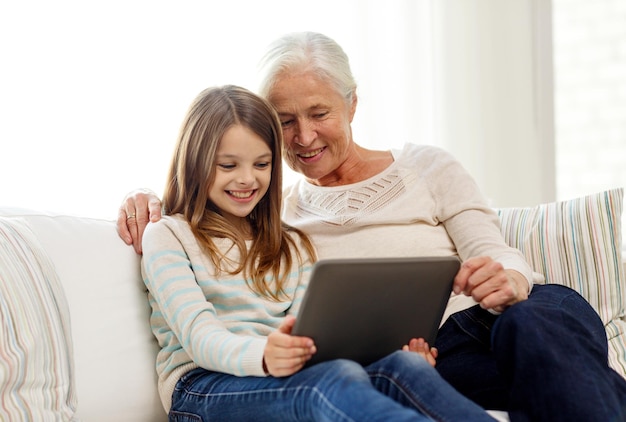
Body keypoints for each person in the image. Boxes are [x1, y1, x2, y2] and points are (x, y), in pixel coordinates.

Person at [120, 33, 626, 421]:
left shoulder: (425, 168)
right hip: (432, 353)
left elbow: (495, 249)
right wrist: (155, 199)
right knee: (559, 381)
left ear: (352, 105)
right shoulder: (279, 219)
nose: (304, 135)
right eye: (286, 121)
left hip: (507, 317)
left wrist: (509, 279)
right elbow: (212, 197)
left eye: (319, 113)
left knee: (530, 321)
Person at [140, 84, 496, 421]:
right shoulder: (169, 235)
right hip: (202, 389)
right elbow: (200, 337)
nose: (247, 179)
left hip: (282, 376)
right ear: (194, 162)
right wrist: (264, 356)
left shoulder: (291, 244)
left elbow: (312, 335)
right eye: (228, 165)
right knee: (325, 384)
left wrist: (385, 354)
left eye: (262, 164)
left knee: (404, 367)